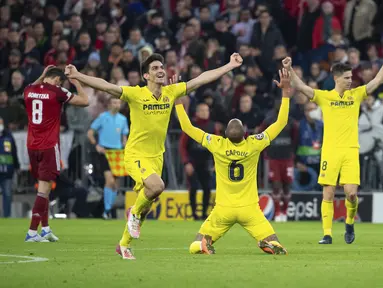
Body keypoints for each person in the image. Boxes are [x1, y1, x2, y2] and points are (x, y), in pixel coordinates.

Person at [64, 52, 243, 259]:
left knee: (147, 203)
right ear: (146, 76)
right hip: (135, 155)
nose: (160, 71)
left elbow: (201, 79)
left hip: (157, 157)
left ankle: (123, 244)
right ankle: (133, 213)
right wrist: (78, 75)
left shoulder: (171, 92)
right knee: (157, 186)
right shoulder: (135, 94)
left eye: (161, 67)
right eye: (155, 68)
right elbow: (105, 86)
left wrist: (229, 65)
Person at [175, 69, 292, 255]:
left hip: (223, 209)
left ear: (225, 134)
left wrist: (178, 100)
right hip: (250, 210)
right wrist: (285, 93)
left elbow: (187, 127)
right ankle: (269, 244)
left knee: (195, 245)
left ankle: (203, 245)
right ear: (245, 134)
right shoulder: (254, 143)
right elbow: (281, 121)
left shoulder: (217, 143)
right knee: (278, 245)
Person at [282, 56, 383, 244]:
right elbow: (301, 87)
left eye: (351, 77)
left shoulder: (357, 95)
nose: (350, 80)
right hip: (330, 151)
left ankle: (350, 223)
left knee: (351, 194)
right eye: (347, 78)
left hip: (351, 151)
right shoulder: (325, 97)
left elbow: (377, 80)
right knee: (327, 193)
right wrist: (289, 69)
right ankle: (327, 234)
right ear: (336, 79)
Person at [24, 66, 89, 242]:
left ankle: (45, 229)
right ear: (56, 80)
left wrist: (43, 75)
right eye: (59, 81)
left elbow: (34, 85)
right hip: (48, 146)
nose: (59, 84)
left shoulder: (29, 90)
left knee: (43, 185)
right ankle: (31, 232)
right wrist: (77, 83)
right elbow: (85, 101)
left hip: (32, 146)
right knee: (44, 189)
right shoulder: (57, 91)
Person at [87, 97, 129, 219]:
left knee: (115, 184)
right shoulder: (103, 117)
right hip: (105, 151)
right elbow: (90, 133)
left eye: (118, 102)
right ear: (109, 105)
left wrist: (126, 148)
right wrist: (96, 145)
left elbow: (124, 137)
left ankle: (109, 209)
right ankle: (107, 210)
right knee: (109, 180)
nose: (117, 105)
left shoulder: (123, 119)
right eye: (114, 102)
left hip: (118, 153)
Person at [259, 98, 298, 222]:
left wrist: (293, 153)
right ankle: (277, 212)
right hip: (273, 158)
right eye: (278, 104)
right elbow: (262, 135)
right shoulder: (269, 121)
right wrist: (266, 152)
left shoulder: (291, 122)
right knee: (276, 185)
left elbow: (295, 139)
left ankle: (284, 212)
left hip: (287, 158)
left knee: (287, 185)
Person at [179, 102, 218, 220]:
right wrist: (186, 162)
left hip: (206, 162)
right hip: (193, 162)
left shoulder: (212, 126)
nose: (205, 113)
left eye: (206, 110)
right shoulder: (191, 126)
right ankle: (194, 214)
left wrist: (216, 163)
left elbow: (217, 147)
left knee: (207, 188)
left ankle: (205, 213)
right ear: (197, 112)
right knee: (194, 187)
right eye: (202, 110)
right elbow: (182, 146)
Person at [0, 117, 19, 217]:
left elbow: (14, 152)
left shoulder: (9, 136)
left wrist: (17, 166)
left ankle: (7, 216)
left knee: (7, 195)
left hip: (7, 172)